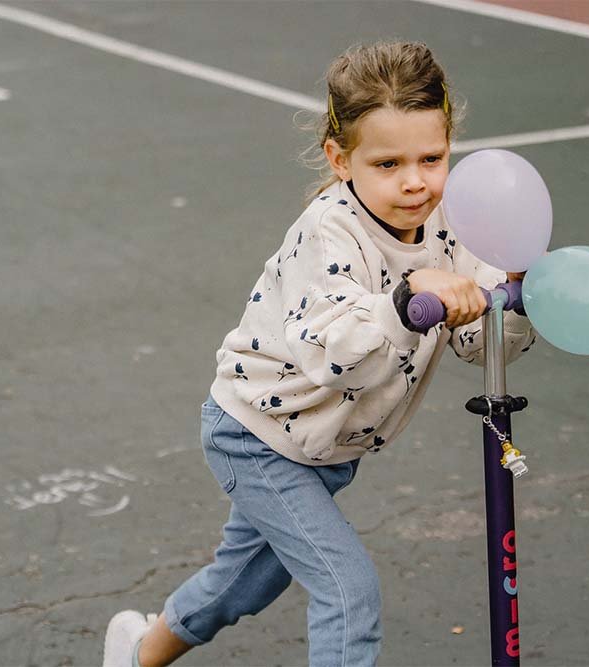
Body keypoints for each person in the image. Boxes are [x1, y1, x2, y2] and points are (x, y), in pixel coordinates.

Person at [103, 40, 536, 667]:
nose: (415, 181)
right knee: (346, 590)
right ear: (340, 158)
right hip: (256, 434)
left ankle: (138, 653)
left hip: (324, 446)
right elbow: (335, 359)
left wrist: (511, 301)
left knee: (245, 582)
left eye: (432, 158)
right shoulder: (328, 230)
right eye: (387, 164)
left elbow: (478, 345)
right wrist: (403, 301)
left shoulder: (451, 224)